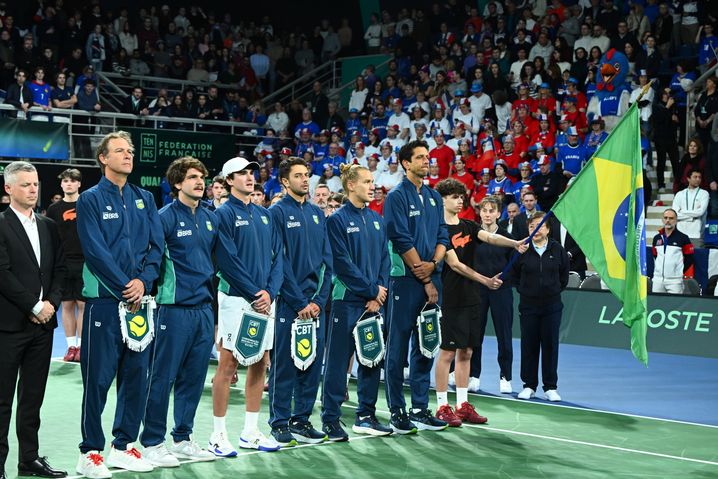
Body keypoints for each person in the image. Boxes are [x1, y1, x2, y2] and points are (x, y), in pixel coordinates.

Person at [75, 131, 163, 477]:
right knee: (97, 379)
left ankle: (122, 446)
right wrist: (125, 284)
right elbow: (95, 251)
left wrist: (143, 281)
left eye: (130, 150)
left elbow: (156, 248)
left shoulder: (145, 198)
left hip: (140, 302)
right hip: (105, 302)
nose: (128, 155)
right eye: (120, 151)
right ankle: (90, 451)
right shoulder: (90, 199)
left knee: (135, 377)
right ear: (103, 158)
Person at [137, 157, 218, 467]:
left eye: (202, 177)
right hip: (173, 310)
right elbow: (153, 260)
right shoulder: (164, 217)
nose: (200, 182)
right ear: (177, 183)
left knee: (194, 378)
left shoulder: (210, 218)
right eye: (193, 177)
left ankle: (182, 438)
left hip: (203, 310)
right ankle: (152, 442)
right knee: (162, 378)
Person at [434, 180, 526, 427]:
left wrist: (515, 243)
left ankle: (462, 405)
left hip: (472, 297)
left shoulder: (468, 225)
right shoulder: (439, 229)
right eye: (454, 196)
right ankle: (442, 406)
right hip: (452, 297)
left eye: (461, 196)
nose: (460, 200)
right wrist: (485, 280)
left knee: (468, 351)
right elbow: (455, 265)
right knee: (448, 353)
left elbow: (491, 238)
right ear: (442, 200)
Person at [210, 156, 284, 455]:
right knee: (229, 364)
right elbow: (227, 261)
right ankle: (217, 435)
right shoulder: (222, 215)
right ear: (229, 181)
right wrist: (256, 292)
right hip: (236, 299)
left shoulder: (265, 215)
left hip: (265, 301)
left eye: (251, 172)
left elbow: (279, 258)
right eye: (241, 173)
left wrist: (270, 292)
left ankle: (251, 431)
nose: (249, 177)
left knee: (260, 362)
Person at [0, 161, 67, 479]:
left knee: (32, 398)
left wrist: (51, 303)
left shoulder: (48, 225)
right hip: (9, 327)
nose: (33, 189)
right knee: (2, 400)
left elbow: (59, 270)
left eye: (36, 183)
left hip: (43, 327)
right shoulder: (0, 224)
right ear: (8, 188)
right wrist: (33, 305)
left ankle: (29, 459)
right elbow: (2, 273)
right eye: (25, 184)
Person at [320, 164, 393, 440]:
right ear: (351, 185)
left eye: (373, 181)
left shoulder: (377, 220)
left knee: (372, 359)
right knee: (338, 362)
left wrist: (380, 290)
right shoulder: (336, 220)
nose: (372, 186)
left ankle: (366, 415)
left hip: (374, 303)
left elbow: (385, 259)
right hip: (346, 301)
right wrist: (371, 291)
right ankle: (330, 418)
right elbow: (341, 264)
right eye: (366, 181)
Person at [383, 140, 449, 434]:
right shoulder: (396, 196)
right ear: (406, 163)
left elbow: (442, 235)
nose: (426, 161)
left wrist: (433, 266)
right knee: (397, 346)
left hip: (430, 277)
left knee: (426, 343)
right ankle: (397, 410)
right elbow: (400, 238)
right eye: (420, 157)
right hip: (405, 280)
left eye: (428, 157)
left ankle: (420, 408)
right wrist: (424, 276)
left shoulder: (434, 197)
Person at [268, 157, 333, 446]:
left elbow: (327, 262)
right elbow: (277, 261)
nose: (305, 179)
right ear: (285, 181)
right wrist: (298, 301)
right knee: (285, 364)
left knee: (311, 362)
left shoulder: (318, 214)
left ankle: (302, 419)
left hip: (314, 304)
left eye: (307, 174)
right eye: (298, 175)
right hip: (289, 303)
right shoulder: (277, 213)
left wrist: (319, 300)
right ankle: (280, 422)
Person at [512, 212, 569, 402]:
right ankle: (529, 385)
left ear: (547, 228)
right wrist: (526, 290)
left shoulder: (558, 250)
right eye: (531, 226)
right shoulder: (521, 250)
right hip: (528, 305)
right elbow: (514, 275)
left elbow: (563, 278)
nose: (534, 230)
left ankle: (550, 387)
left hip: (552, 306)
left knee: (550, 345)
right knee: (529, 345)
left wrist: (550, 291)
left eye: (539, 225)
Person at [45, 168, 84, 363]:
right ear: (61, 184)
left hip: (85, 263)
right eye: (65, 181)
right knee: (67, 305)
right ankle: (71, 347)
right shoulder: (53, 209)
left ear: (79, 184)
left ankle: (82, 348)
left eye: (72, 181)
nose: (69, 184)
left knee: (83, 305)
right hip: (62, 263)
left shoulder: (86, 205)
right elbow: (50, 238)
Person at [651, 209, 694, 294]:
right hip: (657, 280)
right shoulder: (656, 238)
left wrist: (678, 272)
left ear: (676, 220)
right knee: (656, 306)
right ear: (662, 220)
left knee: (675, 306)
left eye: (671, 218)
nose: (668, 220)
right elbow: (655, 255)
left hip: (675, 281)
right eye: (665, 218)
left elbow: (690, 258)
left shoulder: (683, 238)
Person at [673, 169, 710, 247]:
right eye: (695, 177)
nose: (698, 179)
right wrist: (692, 217)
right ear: (688, 178)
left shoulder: (704, 194)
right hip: (680, 233)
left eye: (699, 177)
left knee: (696, 258)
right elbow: (675, 214)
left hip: (696, 235)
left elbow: (700, 212)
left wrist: (682, 211)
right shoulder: (679, 194)